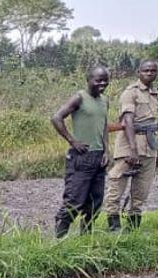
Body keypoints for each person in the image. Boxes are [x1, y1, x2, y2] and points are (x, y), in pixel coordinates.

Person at [105, 59, 158, 231]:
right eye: (146, 70)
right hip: (129, 146)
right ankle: (114, 228)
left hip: (149, 147)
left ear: (156, 73)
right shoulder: (130, 92)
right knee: (116, 186)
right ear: (139, 72)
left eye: (153, 71)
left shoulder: (153, 94)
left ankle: (133, 230)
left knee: (141, 191)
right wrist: (133, 150)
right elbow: (128, 121)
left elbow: (151, 126)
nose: (149, 73)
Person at [50, 66, 110, 237]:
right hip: (82, 157)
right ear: (89, 79)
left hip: (99, 157)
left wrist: (106, 150)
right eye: (98, 80)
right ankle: (59, 240)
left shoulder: (105, 100)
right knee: (74, 201)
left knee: (95, 203)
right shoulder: (79, 98)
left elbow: (104, 126)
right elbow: (56, 118)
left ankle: (85, 240)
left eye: (105, 80)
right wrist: (72, 140)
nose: (102, 83)